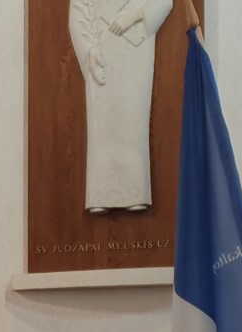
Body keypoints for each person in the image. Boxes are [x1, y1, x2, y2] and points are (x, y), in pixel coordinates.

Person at [68, 0, 173, 213]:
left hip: (135, 45)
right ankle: (100, 194)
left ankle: (135, 192)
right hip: (101, 47)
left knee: (133, 123)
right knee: (102, 126)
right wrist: (89, 50)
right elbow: (77, 12)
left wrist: (133, 16)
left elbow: (164, 1)